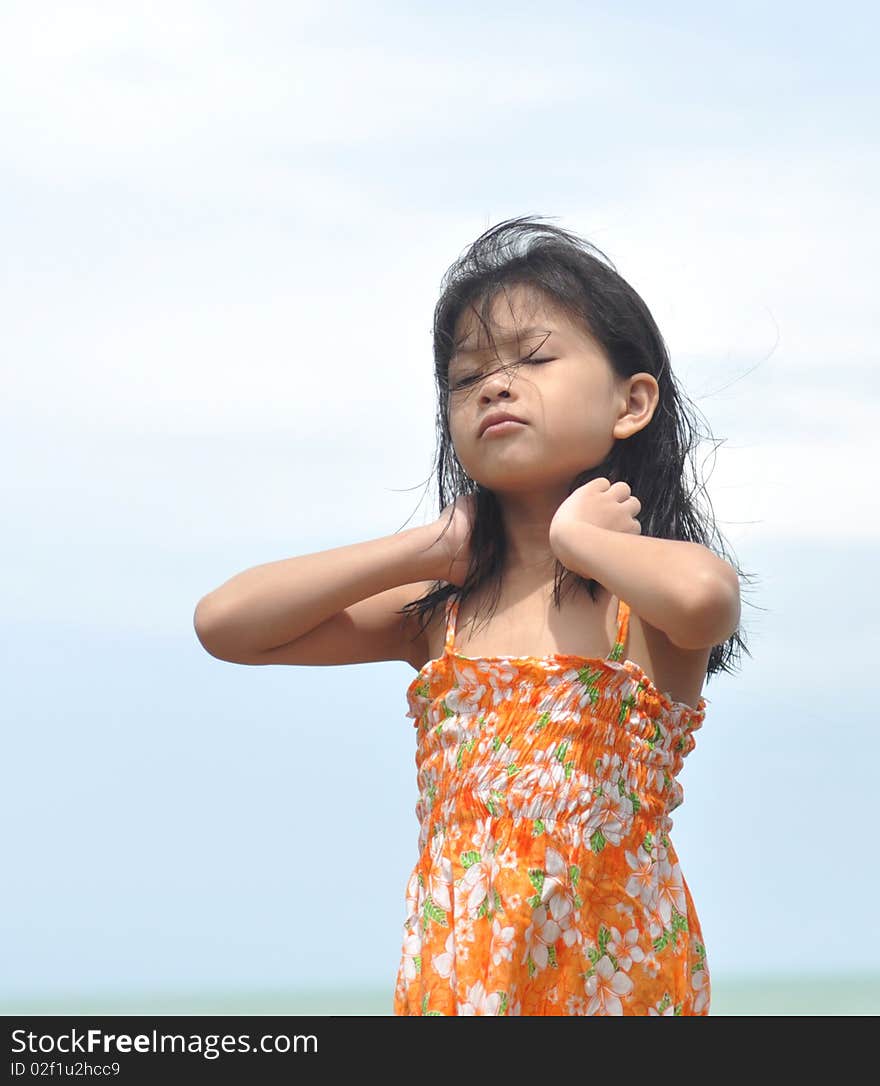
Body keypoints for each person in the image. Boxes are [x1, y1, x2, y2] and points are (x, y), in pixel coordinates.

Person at [194, 215, 749, 1016]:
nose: (495, 384)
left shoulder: (644, 595)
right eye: (466, 377)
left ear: (631, 402)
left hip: (613, 977)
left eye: (535, 357)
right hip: (461, 977)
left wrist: (579, 540)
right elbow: (227, 624)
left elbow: (706, 601)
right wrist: (423, 548)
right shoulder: (440, 614)